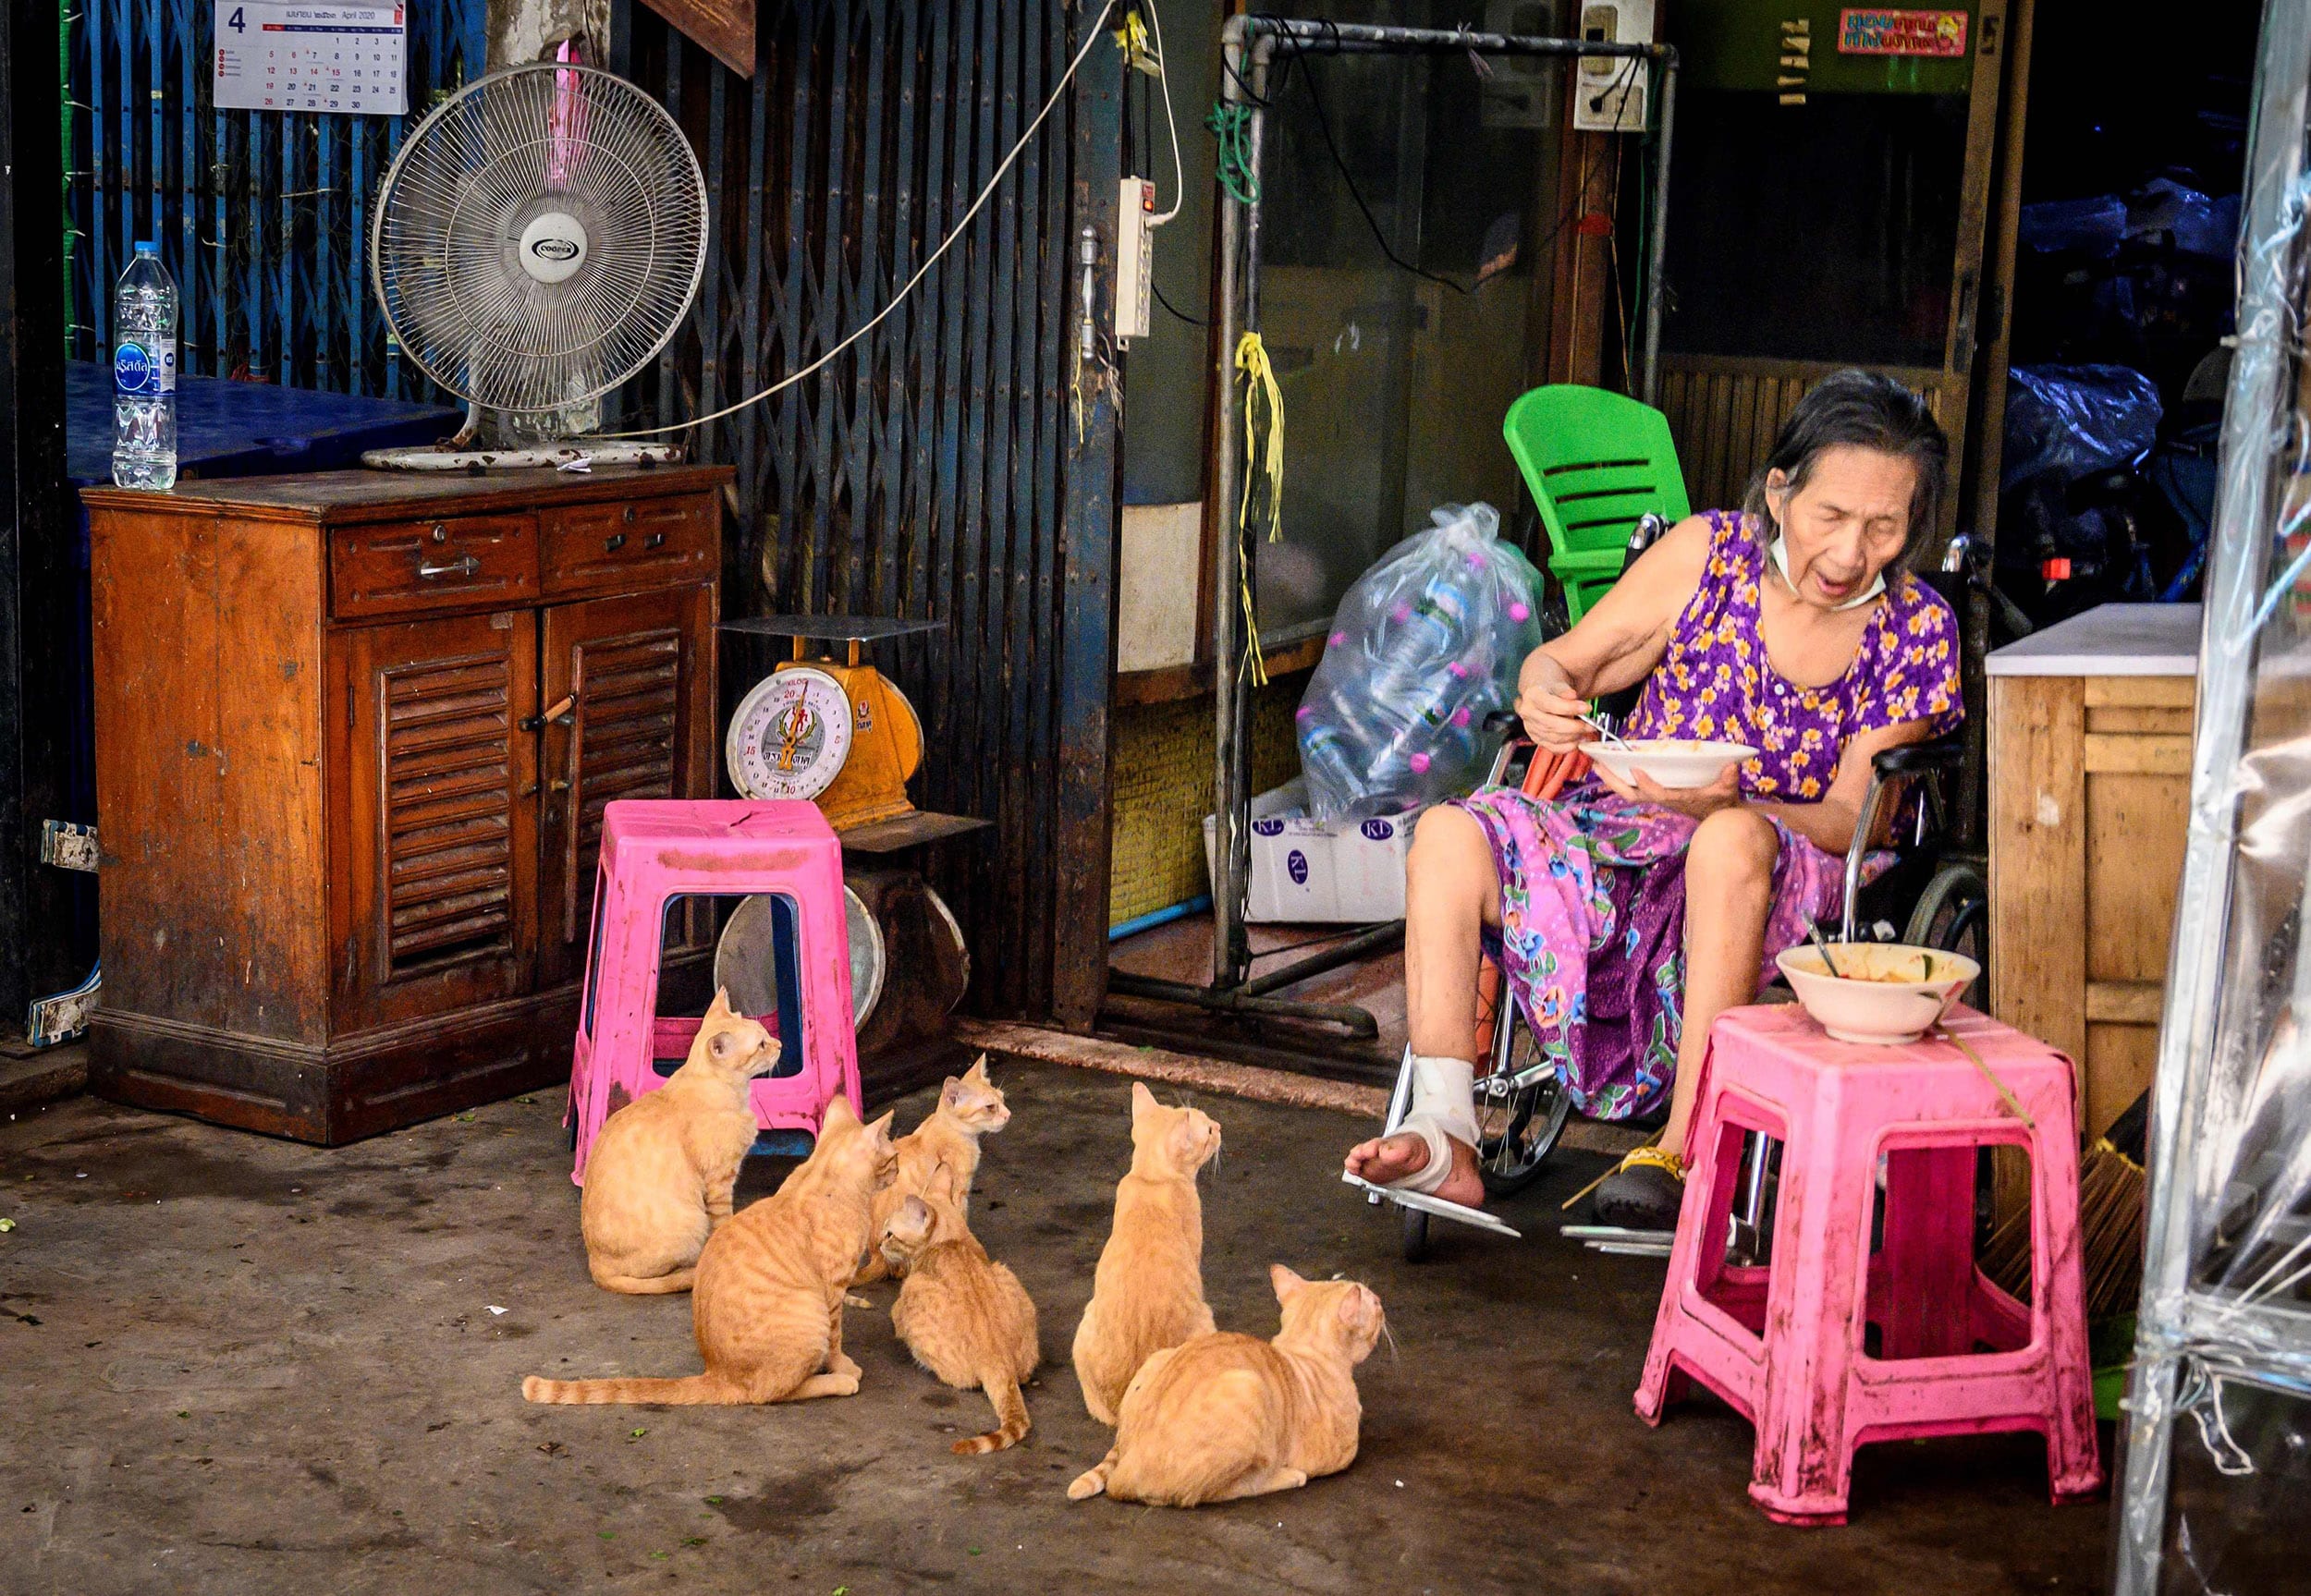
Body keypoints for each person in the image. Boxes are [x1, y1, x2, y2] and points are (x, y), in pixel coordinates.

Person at [1343, 371, 1964, 1229]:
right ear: (1780, 492)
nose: (1852, 553)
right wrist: (1543, 689)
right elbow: (1572, 660)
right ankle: (1446, 1127)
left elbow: (1850, 817)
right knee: (1450, 834)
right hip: (1624, 831)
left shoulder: (1917, 630)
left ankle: (1683, 1148)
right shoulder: (1709, 556)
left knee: (1728, 841)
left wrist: (1727, 807)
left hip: (1787, 858)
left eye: (1885, 526)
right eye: (1833, 516)